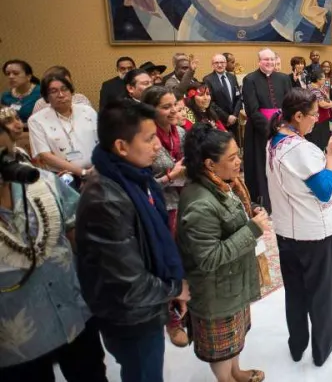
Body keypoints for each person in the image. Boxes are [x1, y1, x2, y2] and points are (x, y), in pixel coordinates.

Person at [76, 100, 191, 382]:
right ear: (121, 146)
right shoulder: (106, 198)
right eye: (149, 139)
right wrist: (175, 288)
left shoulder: (136, 177)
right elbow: (126, 281)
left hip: (147, 306)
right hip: (129, 316)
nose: (157, 146)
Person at [0, 124, 108, 382]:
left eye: (4, 152)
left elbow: (78, 236)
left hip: (75, 317)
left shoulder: (43, 182)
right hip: (18, 344)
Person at [178, 123, 268, 382]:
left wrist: (250, 214)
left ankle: (236, 372)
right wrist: (252, 230)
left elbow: (231, 217)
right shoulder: (199, 203)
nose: (239, 162)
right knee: (221, 349)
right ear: (209, 164)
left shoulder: (222, 183)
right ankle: (226, 379)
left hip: (231, 283)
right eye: (232, 158)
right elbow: (208, 258)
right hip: (215, 291)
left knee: (235, 337)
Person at [266, 89, 332, 367]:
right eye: (314, 115)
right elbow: (324, 189)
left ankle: (297, 345)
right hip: (315, 234)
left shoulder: (274, 140)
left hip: (287, 232)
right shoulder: (302, 149)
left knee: (295, 293)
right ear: (297, 116)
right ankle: (322, 349)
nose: (316, 120)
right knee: (321, 294)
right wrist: (331, 155)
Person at [141, 86, 188, 347]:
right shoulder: (144, 139)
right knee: (167, 263)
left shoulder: (180, 132)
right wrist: (172, 176)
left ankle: (187, 305)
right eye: (166, 106)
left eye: (174, 105)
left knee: (186, 257)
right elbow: (140, 186)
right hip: (158, 208)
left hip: (183, 202)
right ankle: (171, 318)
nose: (173, 111)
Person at [241, 48, 292, 212]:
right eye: (265, 60)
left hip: (282, 128)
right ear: (259, 61)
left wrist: (286, 125)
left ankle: (284, 197)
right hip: (259, 131)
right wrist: (270, 129)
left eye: (271, 59)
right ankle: (264, 202)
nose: (269, 62)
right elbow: (252, 110)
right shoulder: (250, 79)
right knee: (261, 166)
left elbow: (290, 104)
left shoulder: (283, 78)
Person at [28, 75, 98, 187]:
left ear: (71, 91)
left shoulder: (87, 111)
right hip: (63, 175)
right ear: (46, 97)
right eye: (53, 91)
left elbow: (104, 141)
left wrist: (96, 168)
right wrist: (82, 173)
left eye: (64, 89)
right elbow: (45, 155)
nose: (61, 95)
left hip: (97, 170)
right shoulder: (36, 120)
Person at [203, 54, 242, 143]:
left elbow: (238, 97)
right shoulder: (207, 79)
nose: (219, 65)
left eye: (222, 62)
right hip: (219, 121)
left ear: (226, 63)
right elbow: (210, 102)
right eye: (216, 63)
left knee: (234, 145)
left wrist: (234, 115)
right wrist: (227, 117)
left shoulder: (232, 77)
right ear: (212, 65)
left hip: (234, 120)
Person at [305, 70, 332, 151]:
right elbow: (323, 104)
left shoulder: (315, 87)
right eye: (323, 78)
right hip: (318, 119)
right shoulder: (314, 90)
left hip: (319, 118)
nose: (325, 80)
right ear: (318, 80)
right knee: (318, 140)